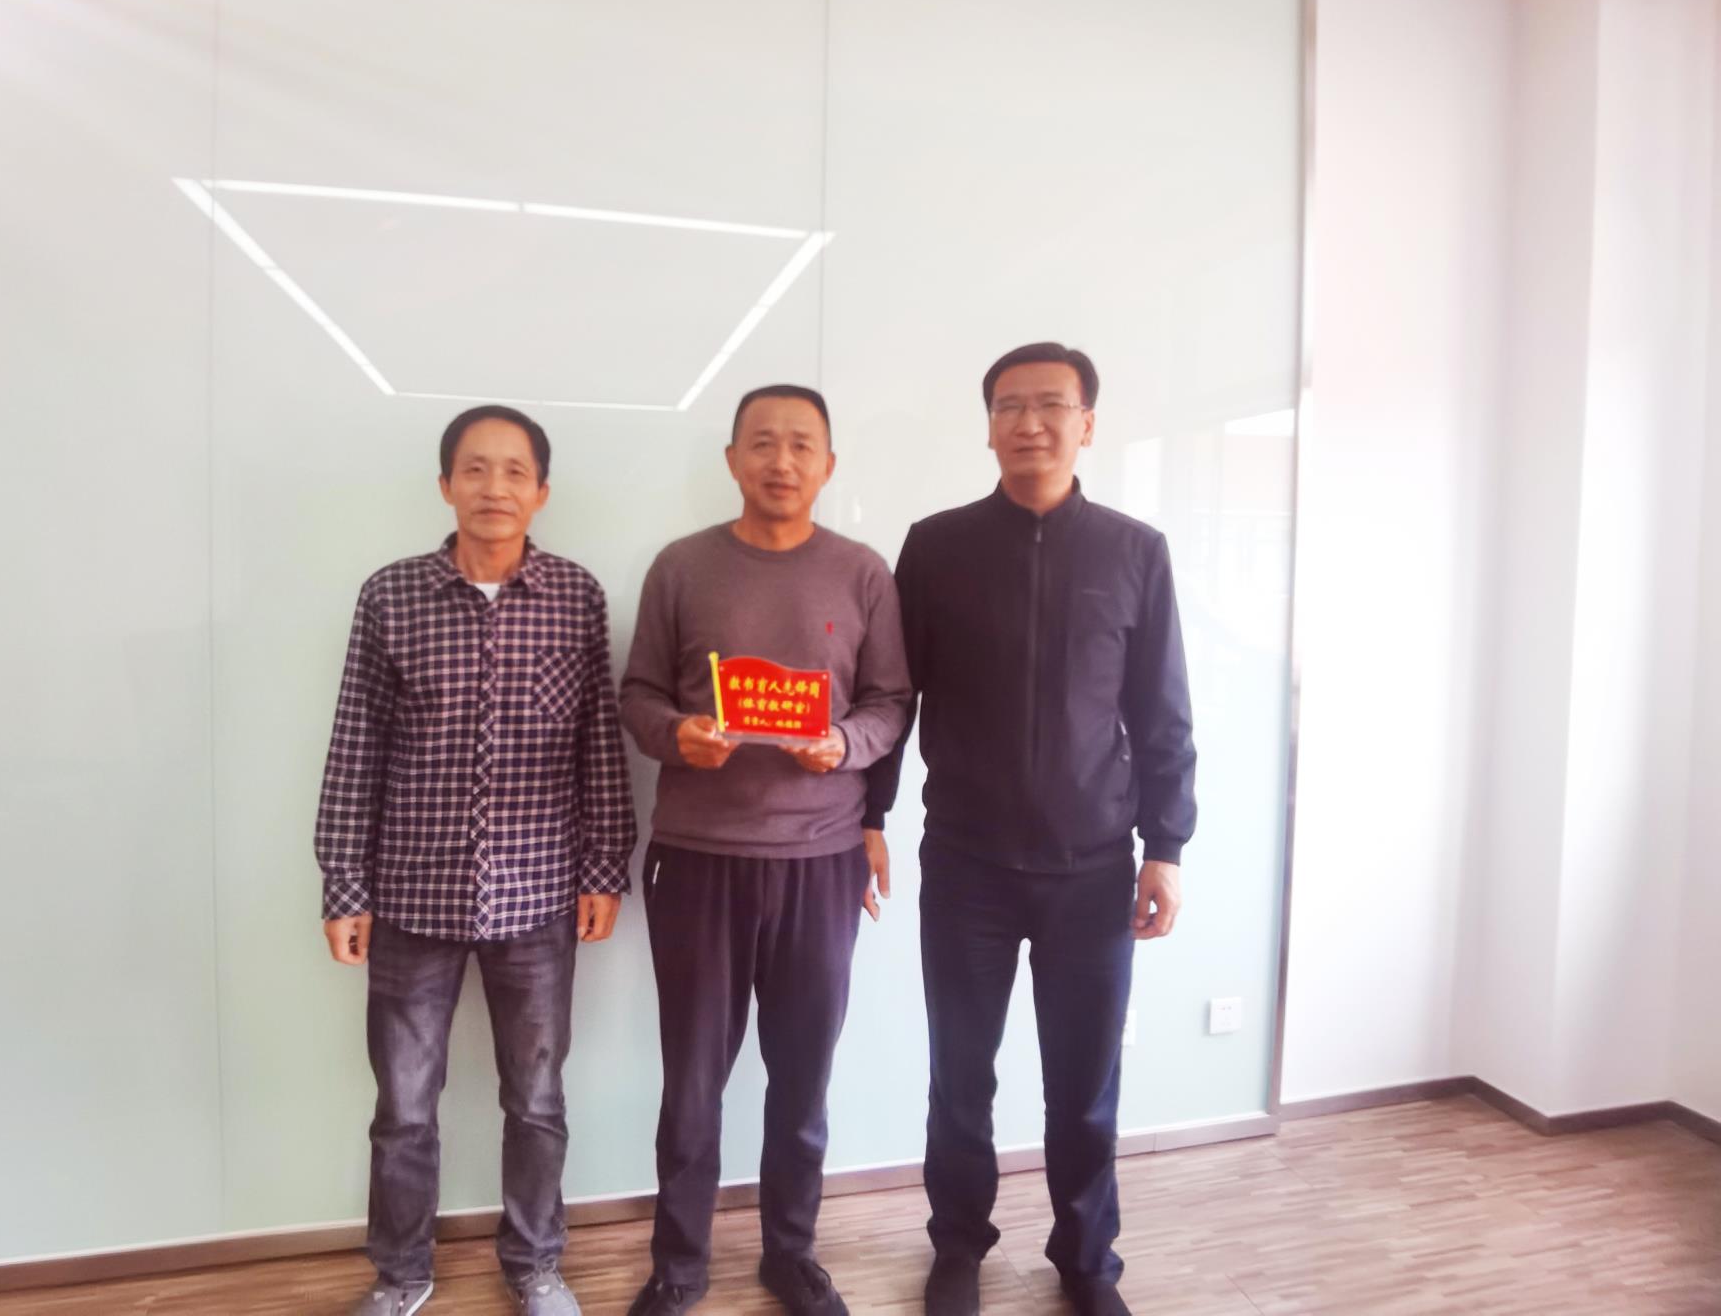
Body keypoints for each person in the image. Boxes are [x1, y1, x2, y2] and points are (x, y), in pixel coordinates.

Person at [863, 343, 1197, 1316]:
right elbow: (894, 696)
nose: (1030, 423)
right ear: (988, 427)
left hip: (1093, 869)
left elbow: (1163, 712)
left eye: (1052, 404)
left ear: (1087, 423)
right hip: (966, 865)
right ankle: (957, 1248)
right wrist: (870, 813)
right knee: (960, 1076)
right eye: (1010, 406)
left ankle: (1087, 1262)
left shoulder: (1134, 551)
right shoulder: (937, 547)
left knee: (1084, 1084)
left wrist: (1166, 846)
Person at [314, 406, 637, 1316]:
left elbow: (599, 744)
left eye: (514, 471)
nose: (495, 488)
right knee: (404, 1106)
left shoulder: (575, 596)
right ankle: (400, 1274)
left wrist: (604, 867)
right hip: (410, 895)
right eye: (475, 469)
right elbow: (356, 743)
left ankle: (535, 1266)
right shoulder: (391, 596)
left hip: (538, 896)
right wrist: (343, 883)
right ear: (446, 484)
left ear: (542, 491)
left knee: (536, 1100)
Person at [617, 385, 912, 1316]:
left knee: (803, 1076)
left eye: (801, 445)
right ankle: (679, 1264)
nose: (781, 461)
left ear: (828, 464)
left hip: (821, 862)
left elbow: (891, 703)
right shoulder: (682, 567)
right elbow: (637, 695)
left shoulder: (862, 573)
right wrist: (677, 736)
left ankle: (791, 1253)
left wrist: (846, 745)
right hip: (698, 859)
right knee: (692, 1081)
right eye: (762, 443)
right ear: (733, 459)